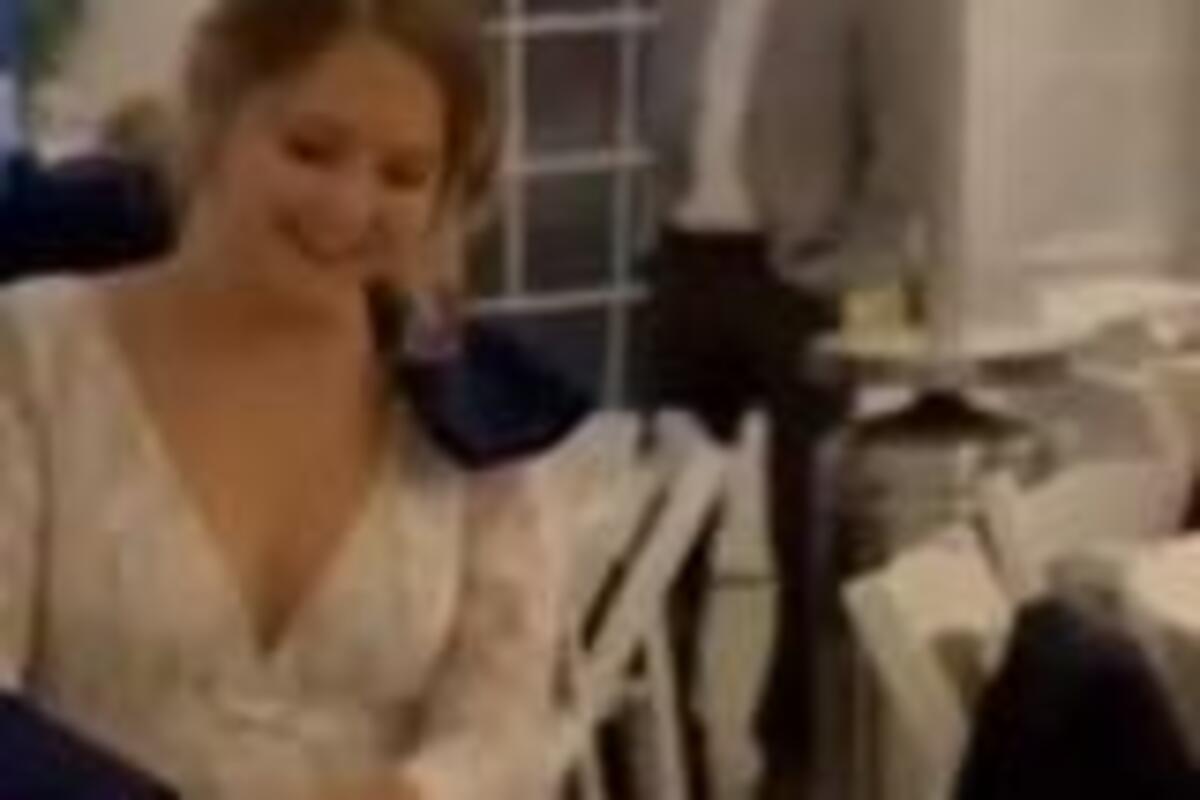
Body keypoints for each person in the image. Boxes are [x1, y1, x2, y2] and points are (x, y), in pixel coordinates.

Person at [0, 1, 561, 798]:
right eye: (311, 150)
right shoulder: (32, 355)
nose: (348, 207)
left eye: (403, 175)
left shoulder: (475, 406)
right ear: (215, 114)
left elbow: (509, 727)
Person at [643, 0, 915, 797]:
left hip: (798, 281)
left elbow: (904, 150)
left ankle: (795, 760)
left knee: (809, 532)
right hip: (688, 268)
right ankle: (662, 745)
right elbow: (667, 112)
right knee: (663, 524)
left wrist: (853, 269)